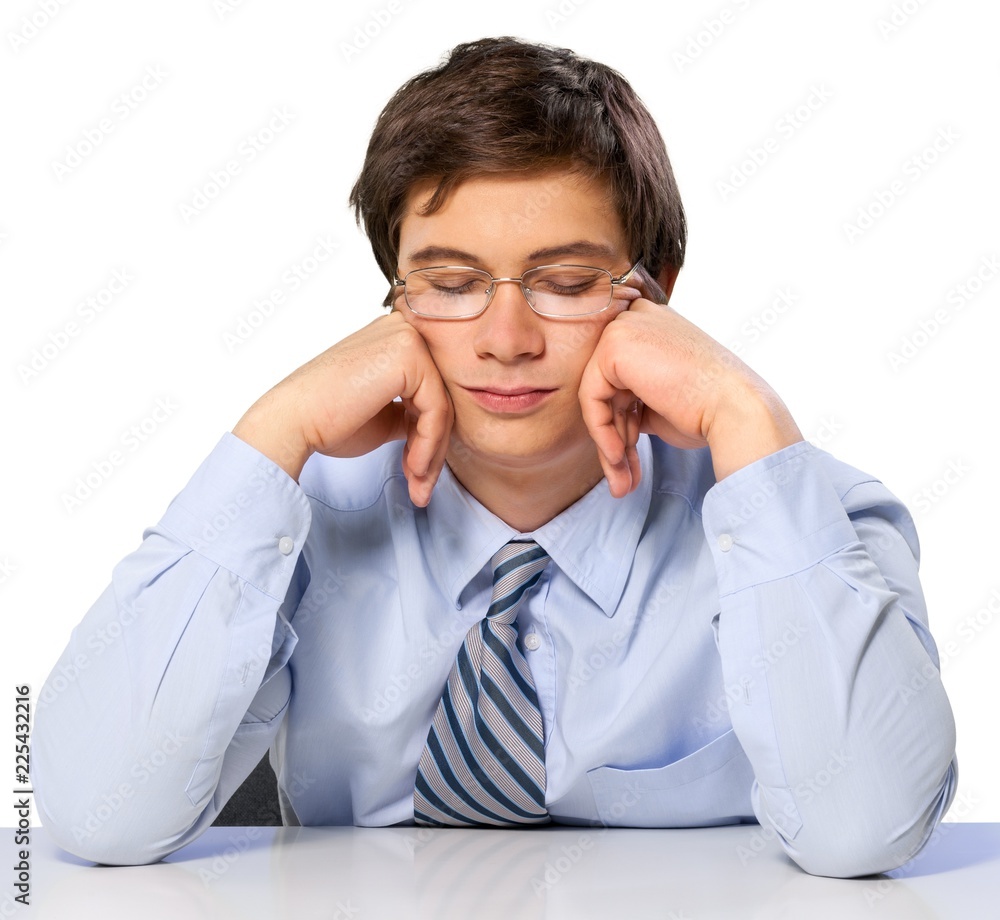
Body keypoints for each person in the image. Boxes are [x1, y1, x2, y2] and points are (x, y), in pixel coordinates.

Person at [34, 36, 957, 877]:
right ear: (394, 300)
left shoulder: (810, 520)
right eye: (450, 283)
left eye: (565, 282)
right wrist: (276, 428)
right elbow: (92, 814)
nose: (505, 339)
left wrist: (742, 412)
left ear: (656, 294)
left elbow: (863, 827)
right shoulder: (289, 518)